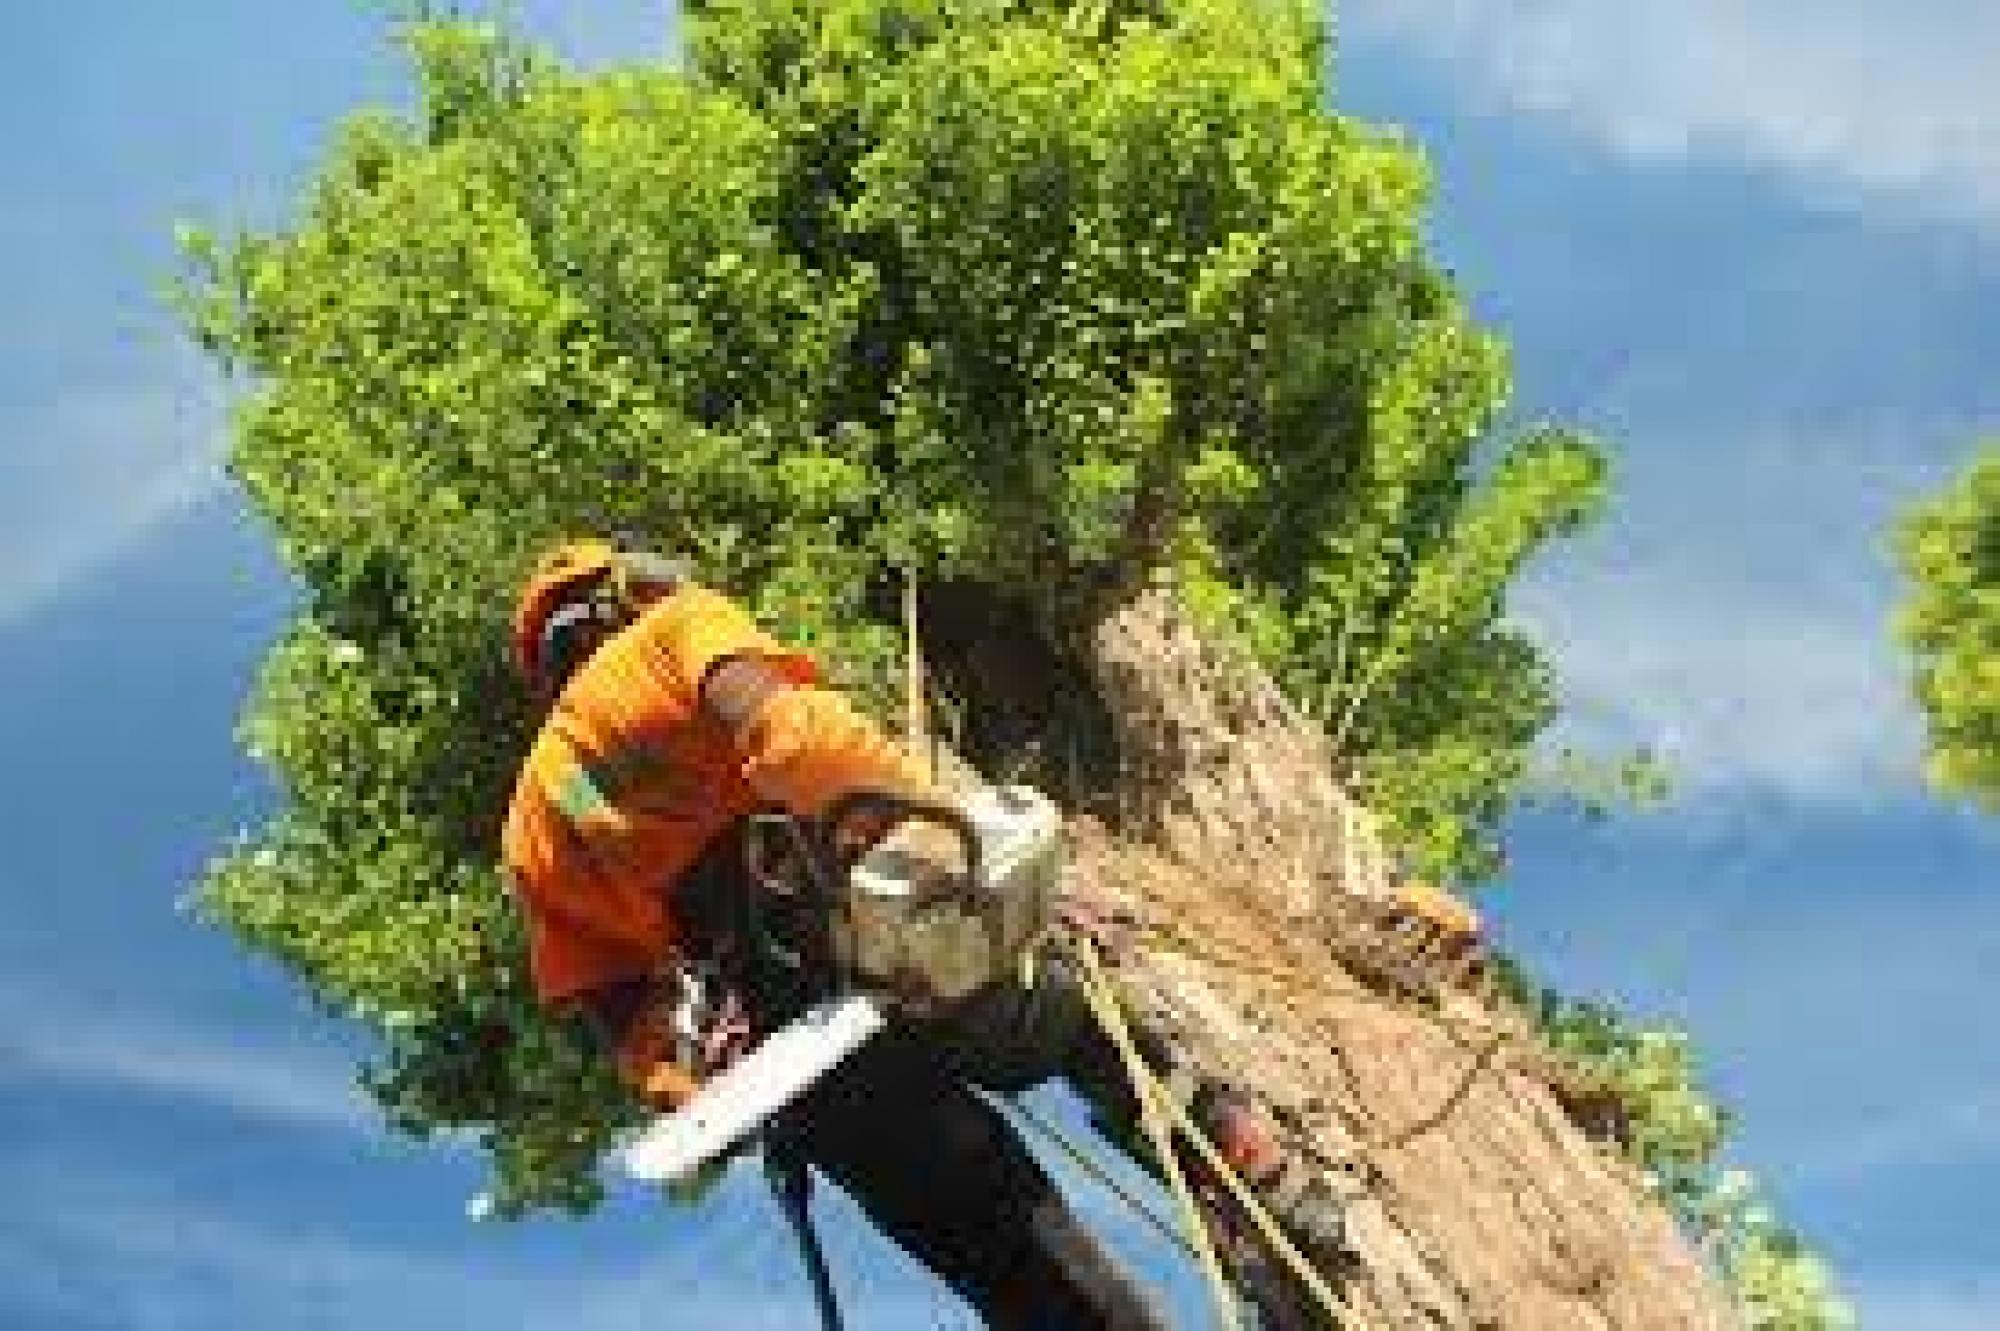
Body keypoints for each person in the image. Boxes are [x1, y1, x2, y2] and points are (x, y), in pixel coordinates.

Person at [500, 538, 1346, 1329]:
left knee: (998, 1243)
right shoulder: (666, 636)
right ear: (616, 595)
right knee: (1070, 1022)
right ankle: (1233, 1155)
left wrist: (692, 1084)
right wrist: (946, 839)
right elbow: (803, 740)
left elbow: (610, 990)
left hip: (797, 1048)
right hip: (885, 929)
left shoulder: (537, 814)